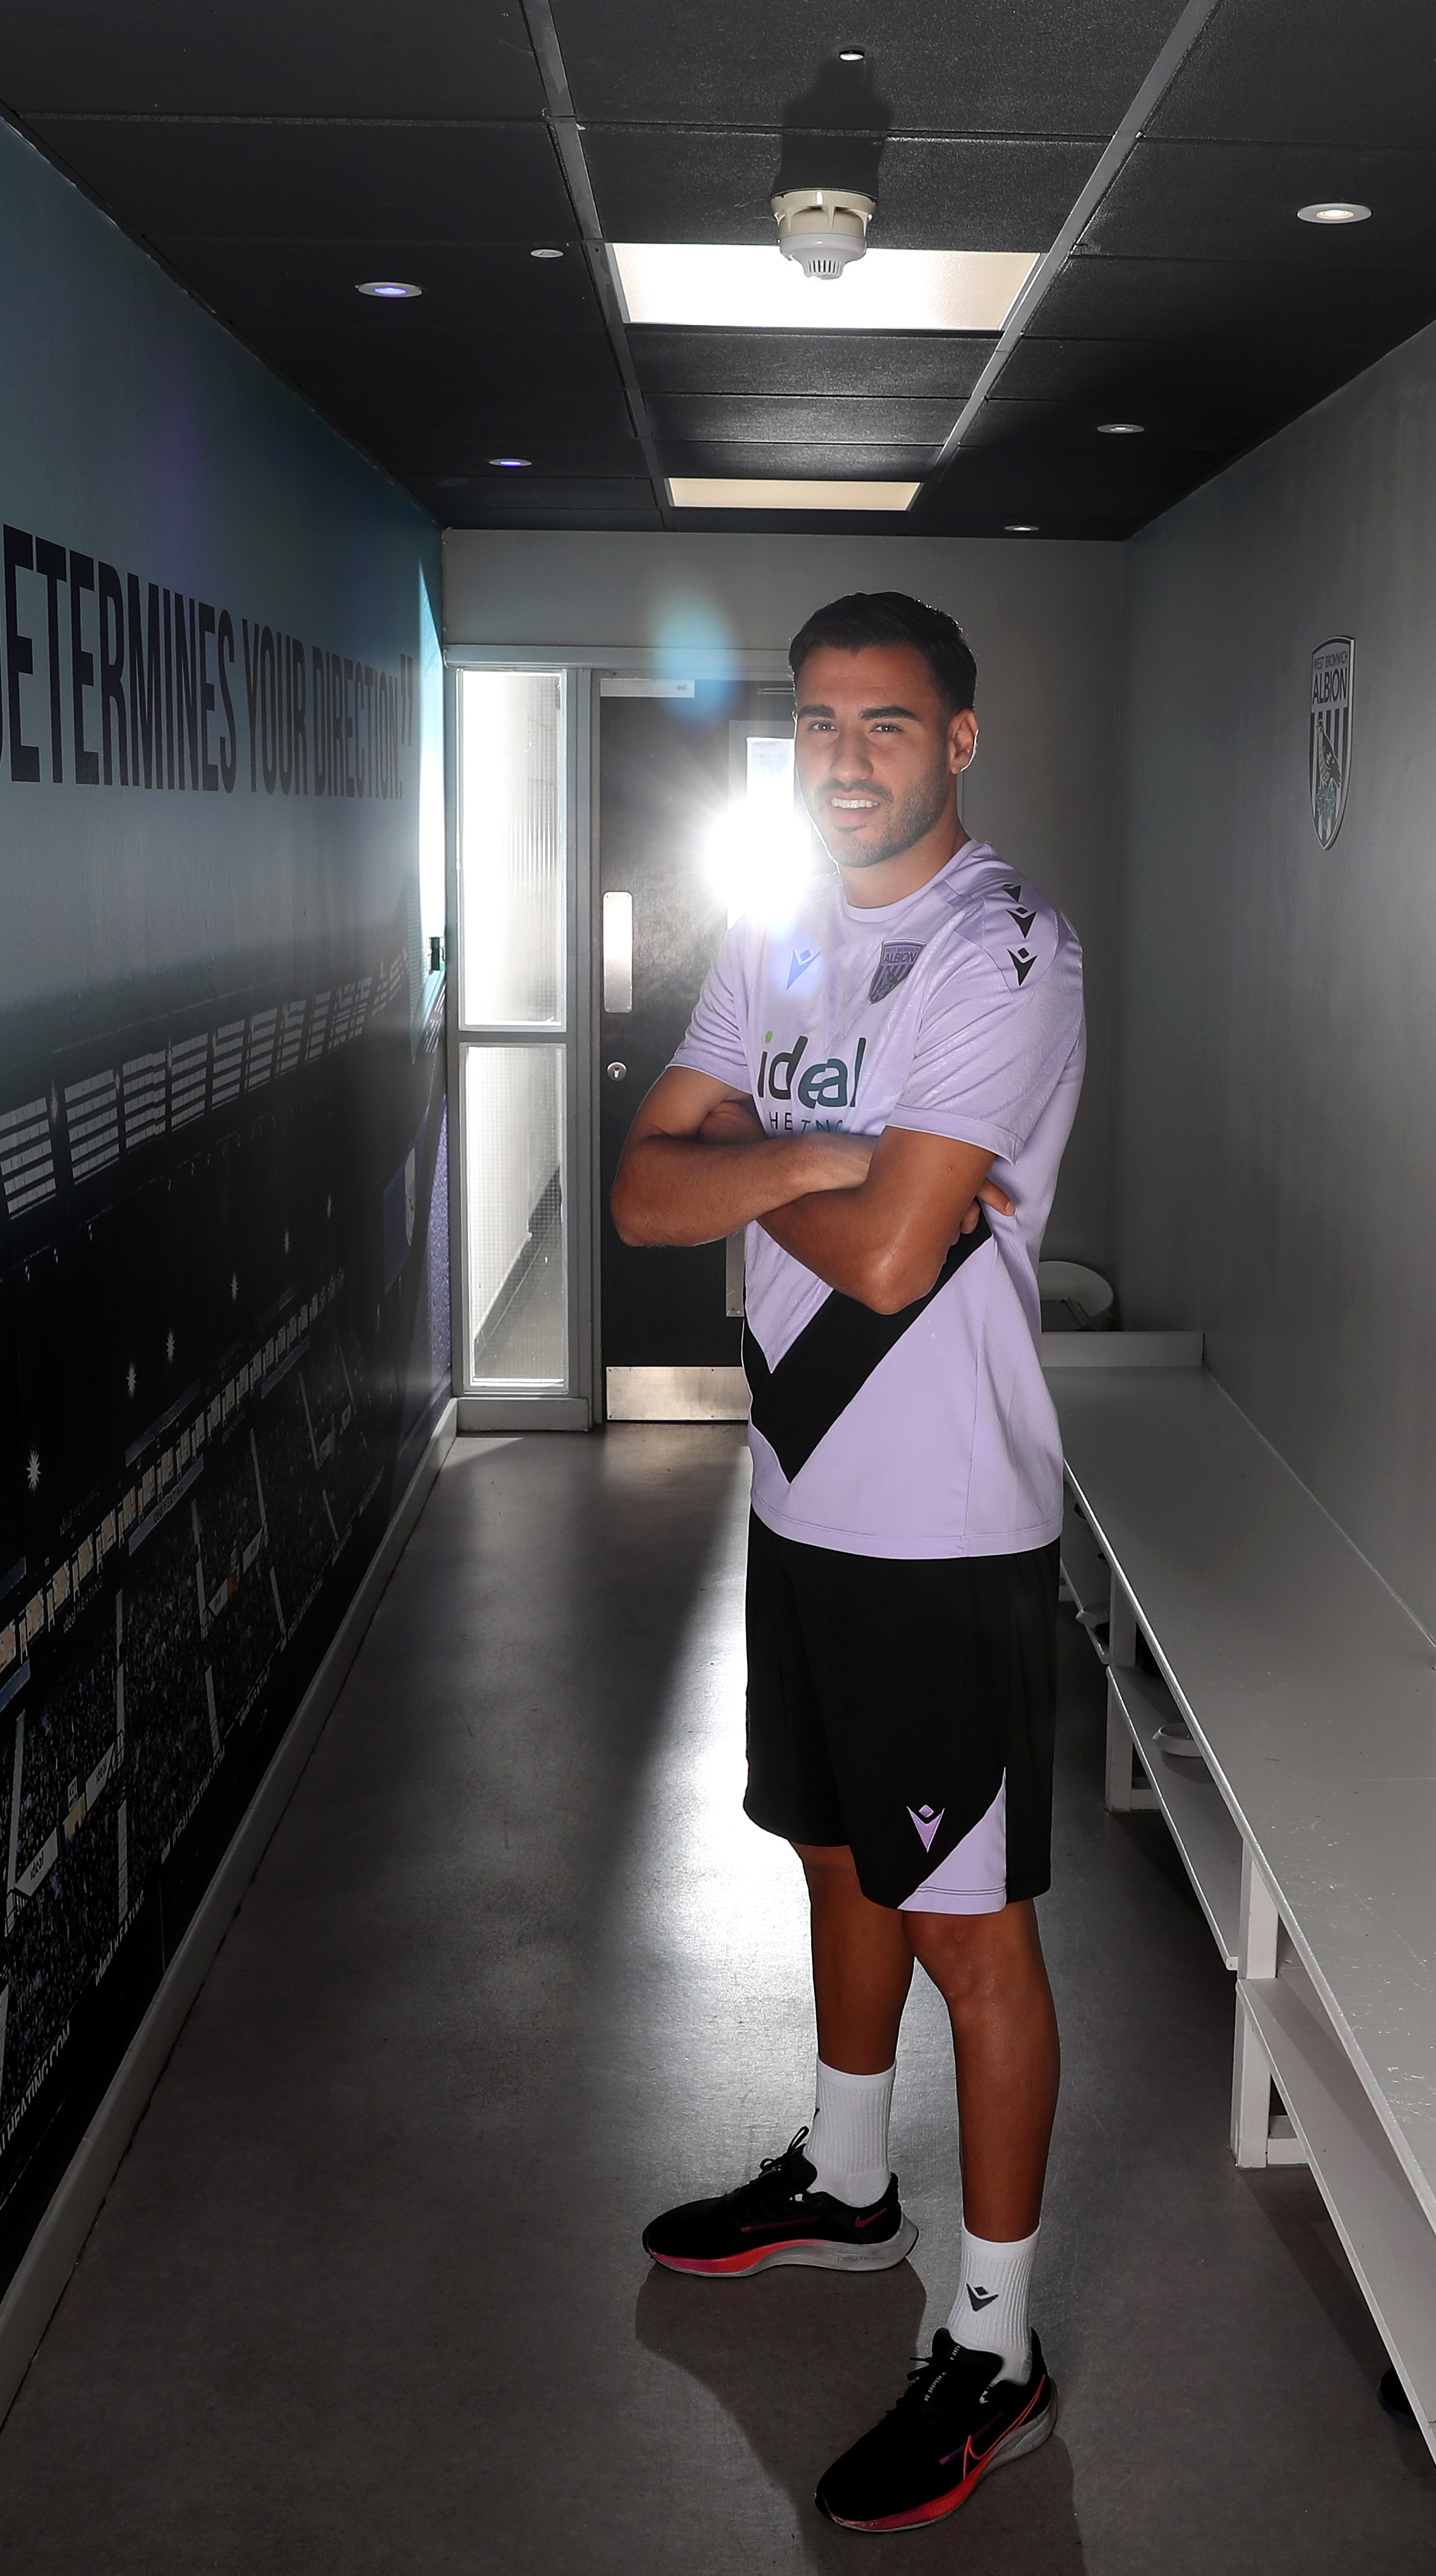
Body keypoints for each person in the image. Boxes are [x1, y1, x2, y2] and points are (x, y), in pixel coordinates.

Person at [611, 590, 1085, 2533]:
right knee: (831, 1848)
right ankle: (846, 2180)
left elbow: (903, 1264)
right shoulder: (779, 925)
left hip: (945, 1520)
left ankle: (992, 2339)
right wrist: (837, 1158)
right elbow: (648, 1192)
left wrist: (787, 1174)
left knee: (972, 1927)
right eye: (817, 725)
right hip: (802, 1493)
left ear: (956, 742)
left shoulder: (1010, 950)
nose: (845, 756)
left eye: (885, 725)